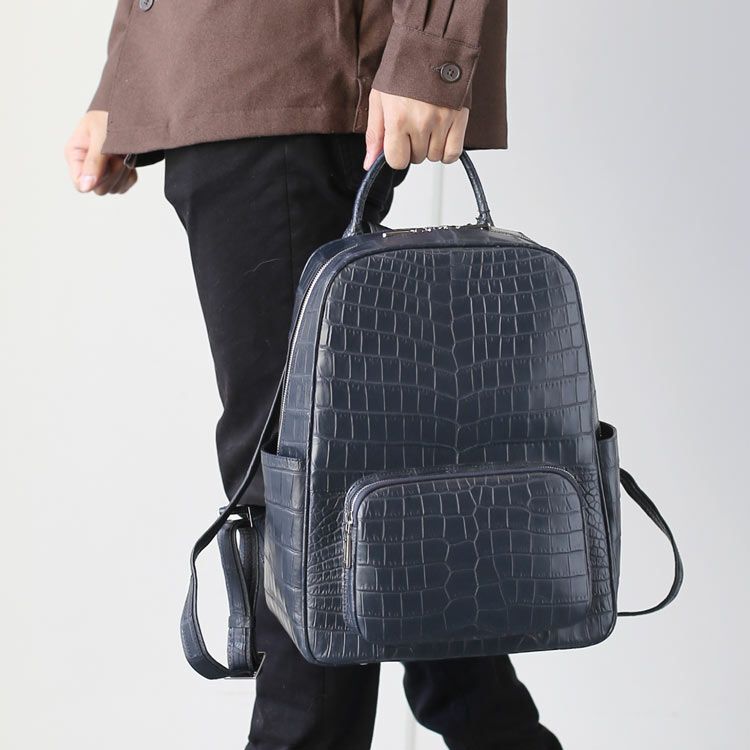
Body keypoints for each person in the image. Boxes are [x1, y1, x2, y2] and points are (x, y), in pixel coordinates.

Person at [64, 2, 562, 749]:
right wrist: (127, 78)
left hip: (287, 72)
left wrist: (432, 49)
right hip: (224, 76)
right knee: (359, 482)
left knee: (301, 497)